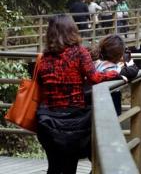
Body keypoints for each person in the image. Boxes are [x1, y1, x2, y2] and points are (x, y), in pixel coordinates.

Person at [36, 14, 121, 174]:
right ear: (72, 30)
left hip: (47, 121)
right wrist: (118, 73)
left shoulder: (44, 58)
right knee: (69, 168)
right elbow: (95, 78)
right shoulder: (80, 53)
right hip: (73, 121)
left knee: (53, 167)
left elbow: (42, 85)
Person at [89, 34, 139, 115]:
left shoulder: (96, 63)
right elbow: (132, 72)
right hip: (110, 107)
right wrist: (130, 64)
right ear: (119, 55)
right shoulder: (112, 71)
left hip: (95, 104)